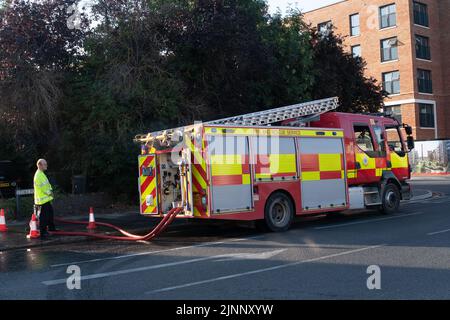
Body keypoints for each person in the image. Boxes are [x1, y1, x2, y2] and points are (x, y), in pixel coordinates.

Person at [34, 159, 57, 238]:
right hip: (42, 201)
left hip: (45, 200)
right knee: (44, 217)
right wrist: (50, 193)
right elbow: (44, 188)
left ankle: (52, 229)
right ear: (40, 165)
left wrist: (50, 191)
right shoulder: (39, 175)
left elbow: (47, 185)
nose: (46, 165)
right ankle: (43, 233)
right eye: (45, 164)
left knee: (50, 214)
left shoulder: (41, 174)